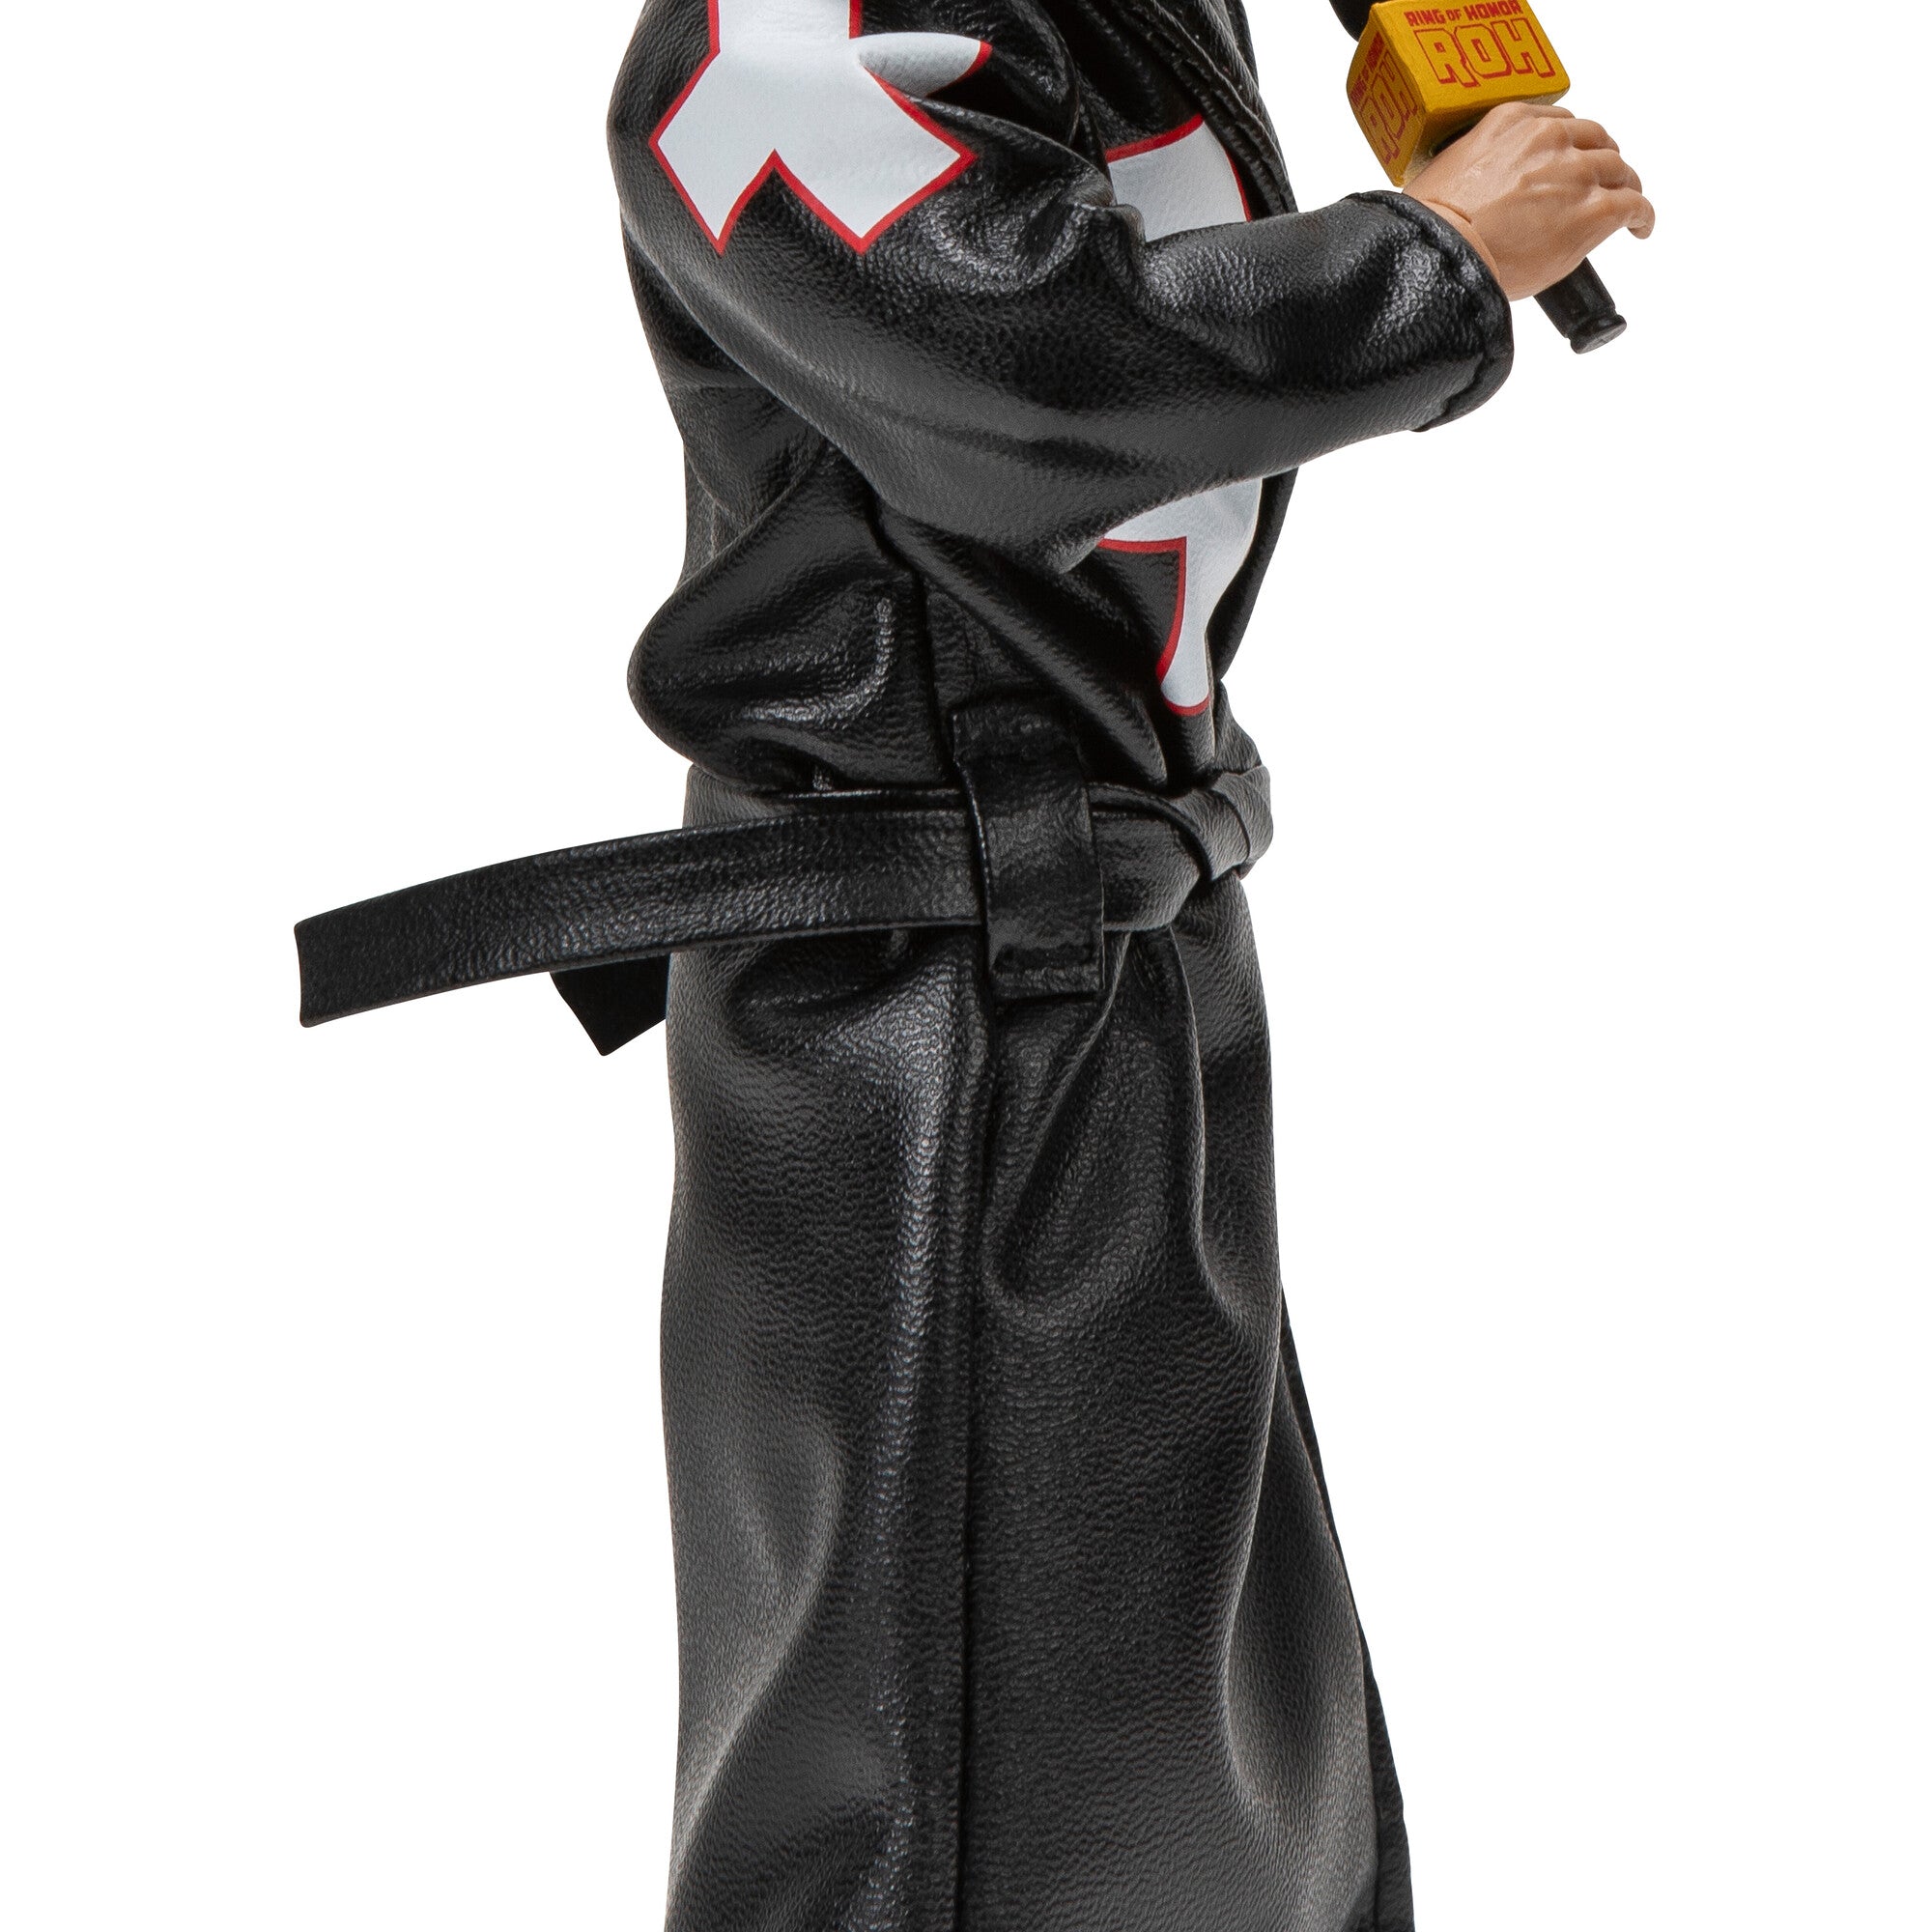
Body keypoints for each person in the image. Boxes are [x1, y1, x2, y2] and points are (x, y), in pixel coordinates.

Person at [299, 0, 1650, 1924]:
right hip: (936, 1005)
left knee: (1186, 1684)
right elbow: (1025, 370)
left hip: (1132, 933)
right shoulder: (779, 39)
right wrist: (1427, 260)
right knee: (953, 1698)